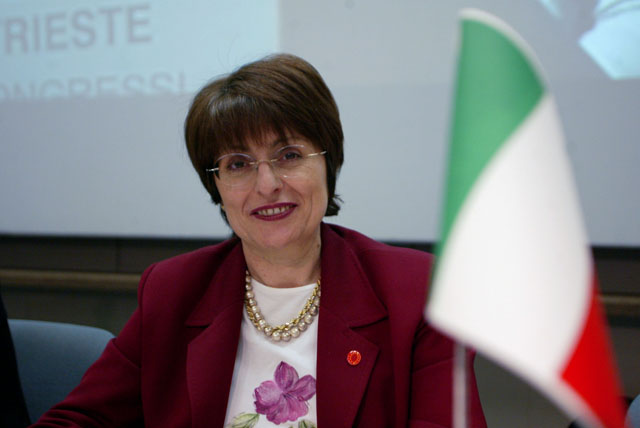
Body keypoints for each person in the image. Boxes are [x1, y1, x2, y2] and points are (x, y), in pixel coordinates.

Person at [31, 54, 486, 427]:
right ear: (216, 186)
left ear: (327, 163)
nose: (267, 185)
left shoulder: (414, 291)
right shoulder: (173, 291)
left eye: (288, 155)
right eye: (238, 164)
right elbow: (79, 420)